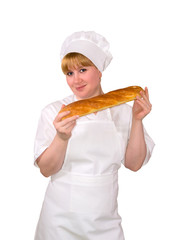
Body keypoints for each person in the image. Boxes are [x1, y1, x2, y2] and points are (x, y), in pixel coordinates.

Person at [34, 31, 155, 240]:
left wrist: (137, 120)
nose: (76, 80)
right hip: (59, 222)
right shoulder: (55, 112)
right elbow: (46, 170)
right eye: (69, 73)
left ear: (100, 71)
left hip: (105, 222)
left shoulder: (124, 112)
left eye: (83, 69)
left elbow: (134, 165)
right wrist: (61, 138)